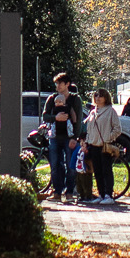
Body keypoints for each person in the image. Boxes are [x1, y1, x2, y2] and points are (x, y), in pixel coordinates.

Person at [39, 72, 83, 201]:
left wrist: (75, 138)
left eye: (60, 83)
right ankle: (57, 192)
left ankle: (69, 192)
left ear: (67, 84)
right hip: (54, 137)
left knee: (70, 165)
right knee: (55, 165)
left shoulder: (75, 99)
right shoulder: (52, 98)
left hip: (69, 137)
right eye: (56, 83)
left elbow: (78, 120)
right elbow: (45, 116)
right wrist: (55, 118)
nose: (57, 86)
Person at [83, 88, 125, 205]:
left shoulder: (110, 111)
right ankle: (101, 194)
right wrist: (87, 141)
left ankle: (108, 195)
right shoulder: (93, 112)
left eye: (100, 96)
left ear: (106, 98)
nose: (98, 98)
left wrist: (108, 138)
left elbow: (117, 129)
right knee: (97, 171)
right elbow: (89, 129)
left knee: (106, 170)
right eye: (96, 95)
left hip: (105, 146)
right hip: (93, 145)